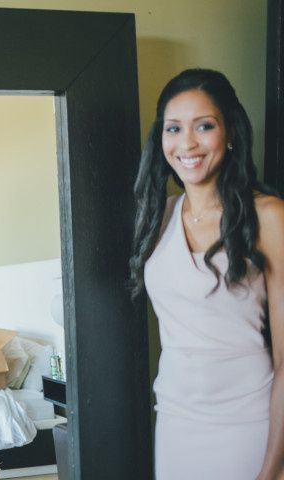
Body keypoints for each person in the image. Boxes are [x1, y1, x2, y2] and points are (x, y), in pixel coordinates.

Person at [129, 68, 284, 479]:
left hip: (248, 423)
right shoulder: (157, 218)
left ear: (229, 131)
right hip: (176, 421)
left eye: (204, 126)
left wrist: (274, 467)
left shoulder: (268, 216)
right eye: (173, 128)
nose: (187, 144)